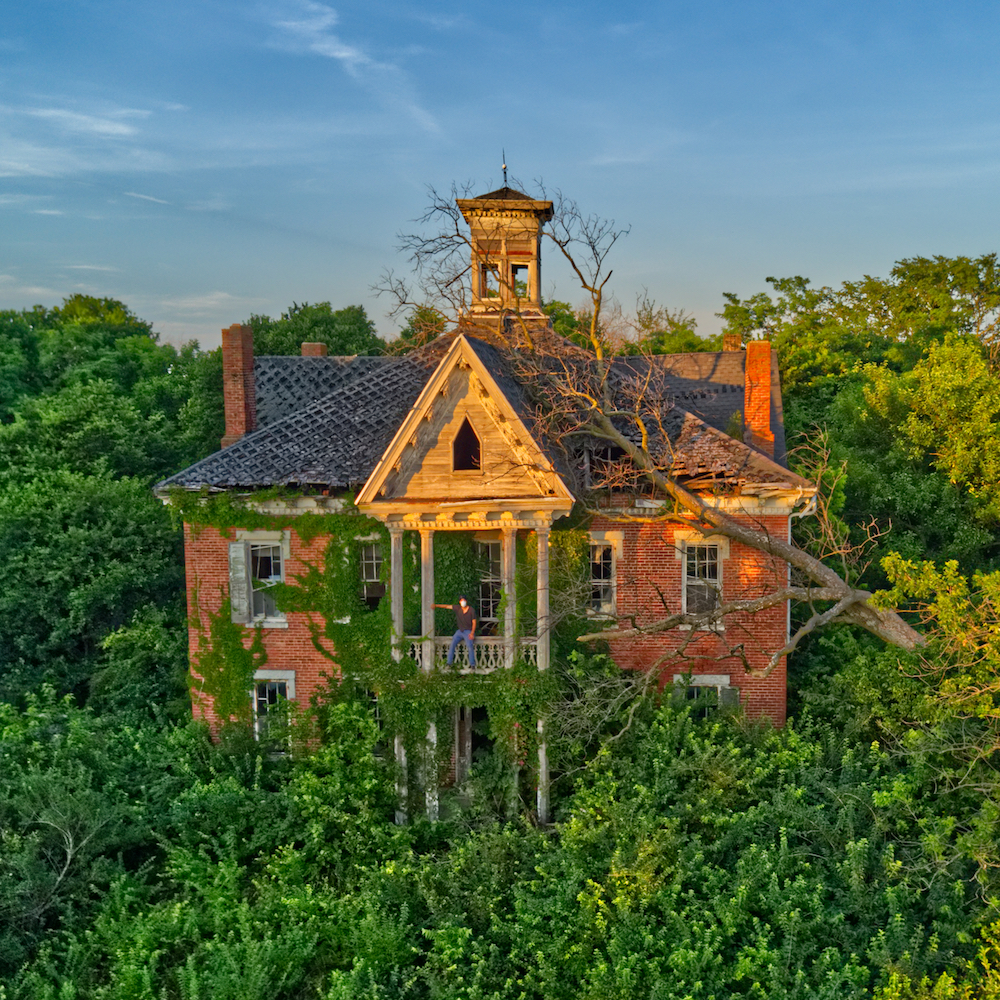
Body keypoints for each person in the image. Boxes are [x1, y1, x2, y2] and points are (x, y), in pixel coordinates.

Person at [434, 596, 477, 667]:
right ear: (459, 602)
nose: (463, 602)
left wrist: (472, 633)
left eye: (464, 600)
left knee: (470, 646)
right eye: (461, 601)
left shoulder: (471, 610)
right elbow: (447, 606)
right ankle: (449, 662)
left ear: (466, 601)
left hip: (468, 631)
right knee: (453, 643)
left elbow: (474, 622)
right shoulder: (458, 608)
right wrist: (436, 605)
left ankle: (472, 664)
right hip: (460, 631)